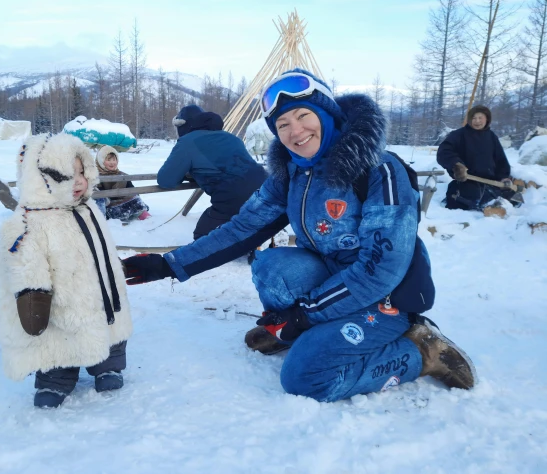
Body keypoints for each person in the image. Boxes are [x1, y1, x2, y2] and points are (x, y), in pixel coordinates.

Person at [122, 69, 476, 403]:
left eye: (304, 115)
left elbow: (381, 269)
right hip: (332, 277)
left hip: (384, 294)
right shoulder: (292, 173)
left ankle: (421, 350)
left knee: (306, 378)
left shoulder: (379, 169)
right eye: (283, 124)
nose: (296, 131)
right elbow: (243, 228)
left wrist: (305, 314)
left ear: (327, 113)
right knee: (269, 267)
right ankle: (306, 331)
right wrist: (170, 265)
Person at [0, 133, 133, 408]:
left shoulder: (88, 209)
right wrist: (32, 294)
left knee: (110, 327)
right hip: (58, 301)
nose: (80, 181)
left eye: (82, 171)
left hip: (100, 294)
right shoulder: (29, 221)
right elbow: (24, 262)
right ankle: (54, 381)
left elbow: (103, 247)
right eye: (69, 174)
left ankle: (108, 367)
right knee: (57, 338)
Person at [158, 103, 267, 240]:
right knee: (247, 217)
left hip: (232, 197)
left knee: (203, 239)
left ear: (183, 125)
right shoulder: (232, 138)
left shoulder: (187, 142)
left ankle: (251, 242)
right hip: (265, 191)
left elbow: (166, 180)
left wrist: (187, 173)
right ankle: (261, 235)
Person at [436, 105, 515, 210]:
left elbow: (500, 160)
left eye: (480, 118)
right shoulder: (458, 135)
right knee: (467, 199)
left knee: (510, 198)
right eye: (474, 118)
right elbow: (443, 152)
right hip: (467, 181)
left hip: (491, 183)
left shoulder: (492, 137)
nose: (477, 121)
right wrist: (456, 165)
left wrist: (504, 177)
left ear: (487, 119)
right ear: (469, 120)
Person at [95, 145, 151, 222]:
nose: (112, 162)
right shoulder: (96, 177)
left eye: (114, 159)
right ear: (101, 161)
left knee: (136, 199)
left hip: (124, 205)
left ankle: (144, 217)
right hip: (108, 210)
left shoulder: (123, 176)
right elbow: (99, 198)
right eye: (108, 160)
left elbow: (133, 191)